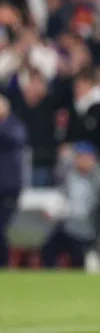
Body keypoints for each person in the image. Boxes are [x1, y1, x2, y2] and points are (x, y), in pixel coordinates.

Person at [0, 94, 26, 267]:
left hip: (7, 187)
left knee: (3, 228)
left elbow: (12, 139)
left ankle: (3, 263)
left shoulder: (14, 126)